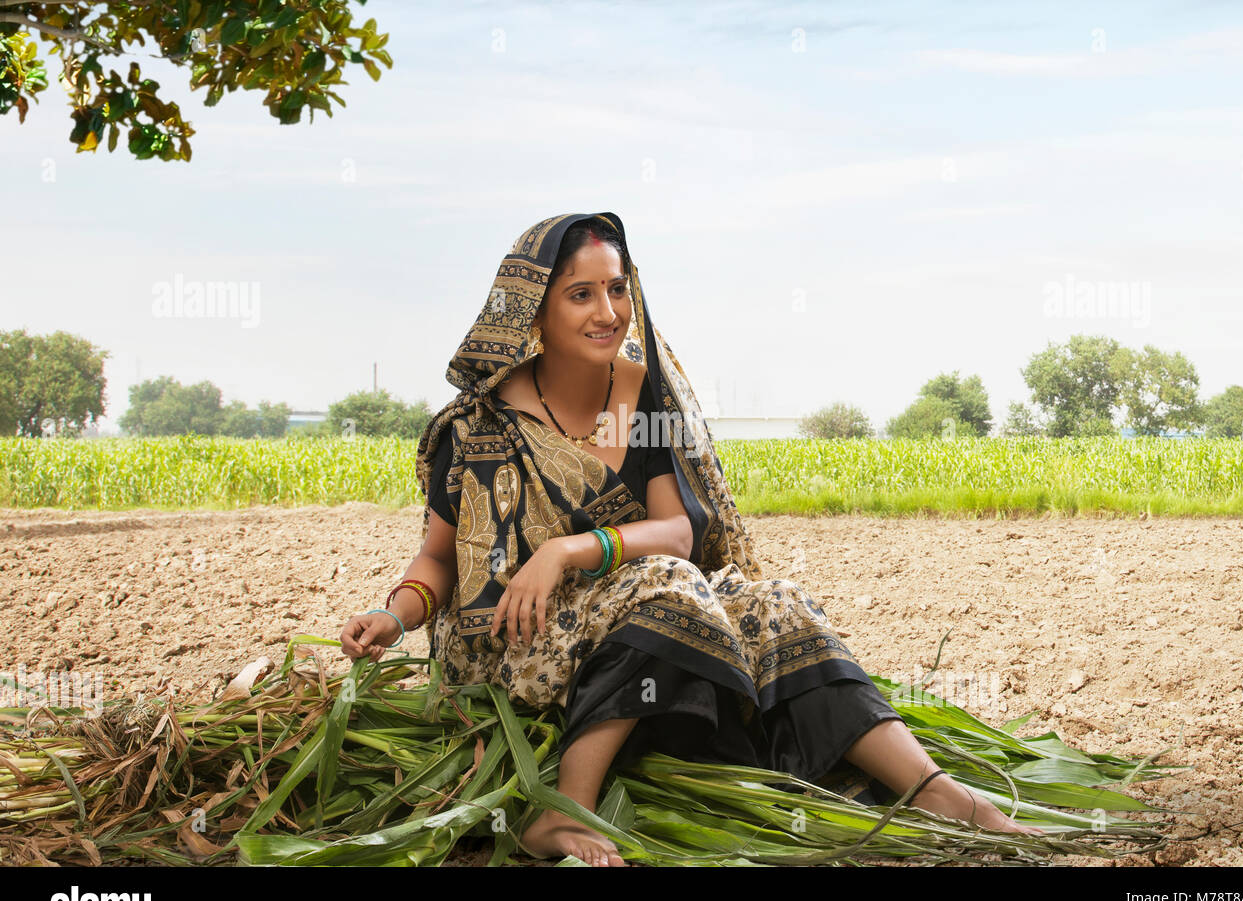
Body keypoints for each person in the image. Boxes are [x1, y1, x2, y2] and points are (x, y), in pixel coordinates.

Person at [338, 211, 1043, 867]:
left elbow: (676, 530)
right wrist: (393, 615)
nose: (608, 312)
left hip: (641, 634)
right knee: (669, 585)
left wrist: (564, 551)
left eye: (617, 289)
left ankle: (941, 793)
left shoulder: (642, 399)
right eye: (581, 295)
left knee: (773, 603)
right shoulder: (475, 428)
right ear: (535, 313)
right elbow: (437, 558)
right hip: (512, 644)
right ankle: (560, 810)